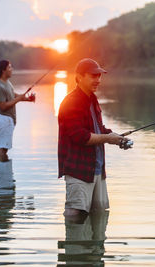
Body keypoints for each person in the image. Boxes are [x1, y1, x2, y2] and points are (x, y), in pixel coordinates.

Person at [58, 58, 130, 217]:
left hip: (97, 171)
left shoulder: (92, 99)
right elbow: (80, 137)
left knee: (99, 218)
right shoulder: (71, 102)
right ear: (79, 77)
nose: (98, 80)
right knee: (76, 218)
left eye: (99, 76)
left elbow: (98, 129)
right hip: (79, 171)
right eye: (93, 76)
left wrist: (116, 138)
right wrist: (107, 138)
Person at [0, 60, 35, 162]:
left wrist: (27, 99)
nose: (12, 69)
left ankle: (4, 174)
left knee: (4, 148)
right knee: (2, 149)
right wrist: (19, 99)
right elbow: (2, 107)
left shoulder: (6, 82)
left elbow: (12, 95)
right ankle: (2, 175)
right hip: (3, 120)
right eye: (10, 67)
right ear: (3, 70)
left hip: (8, 120)